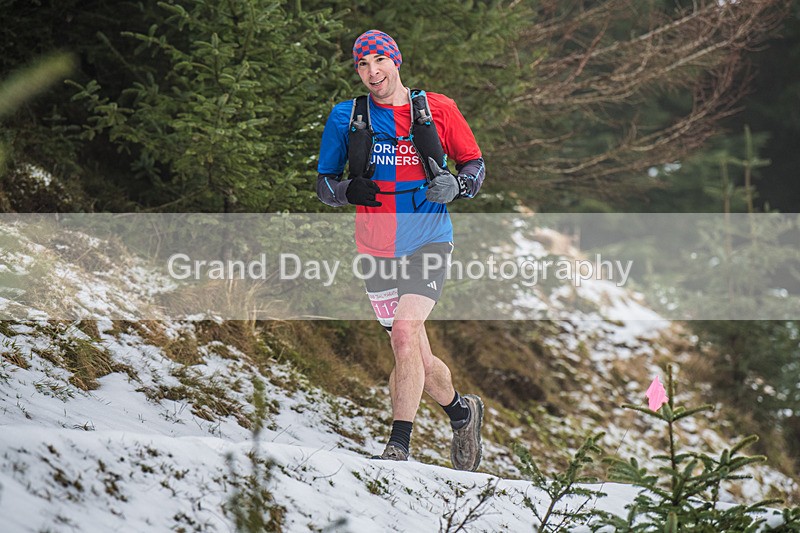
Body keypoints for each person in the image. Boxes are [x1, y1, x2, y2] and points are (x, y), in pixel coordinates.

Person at [315, 30, 486, 471]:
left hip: (428, 239)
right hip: (374, 248)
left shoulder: (437, 109)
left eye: (379, 62)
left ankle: (398, 447)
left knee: (406, 335)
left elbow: (474, 164)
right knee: (418, 358)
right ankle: (463, 415)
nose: (372, 73)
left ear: (397, 61)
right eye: (362, 65)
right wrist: (347, 191)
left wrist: (459, 186)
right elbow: (324, 184)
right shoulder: (346, 116)